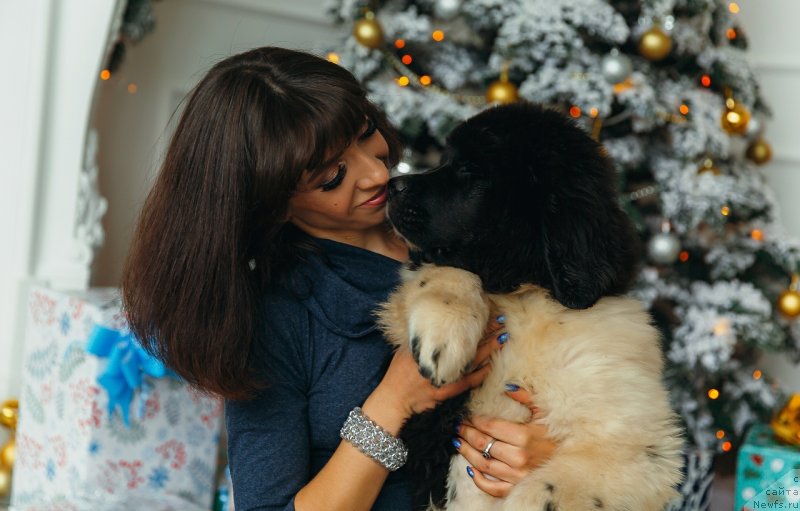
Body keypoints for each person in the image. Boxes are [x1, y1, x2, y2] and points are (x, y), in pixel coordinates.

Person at [121, 46, 555, 511]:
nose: (376, 173)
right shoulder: (278, 319)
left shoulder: (457, 223)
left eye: (367, 133)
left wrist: (545, 455)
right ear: (271, 204)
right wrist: (393, 401)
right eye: (332, 177)